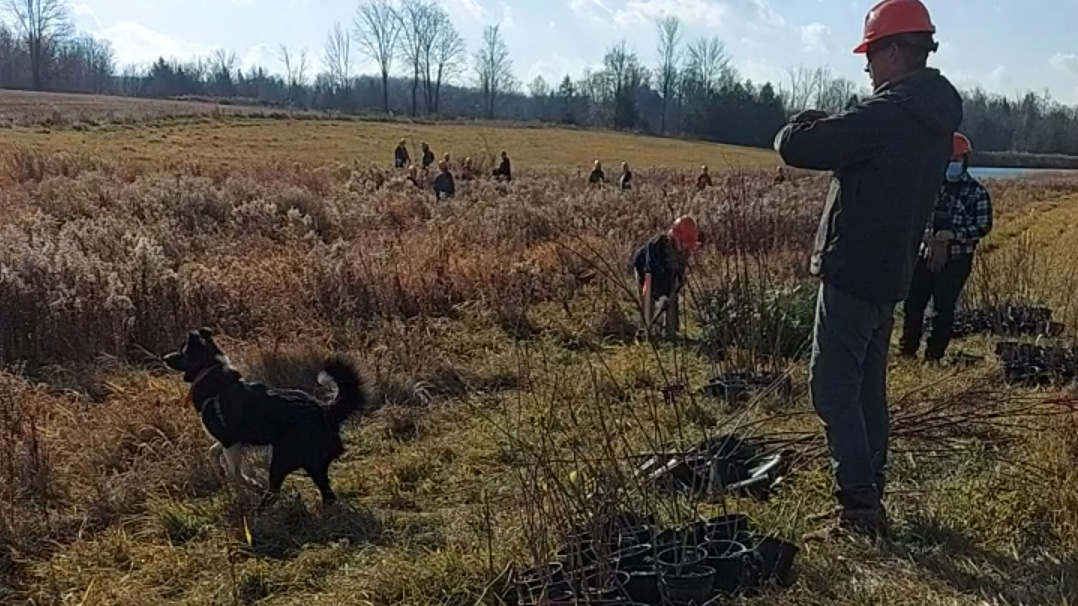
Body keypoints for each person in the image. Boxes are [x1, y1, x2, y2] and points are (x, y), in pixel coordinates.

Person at [772, 0, 962, 541]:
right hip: (891, 275)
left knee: (831, 390)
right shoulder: (933, 117)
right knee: (866, 390)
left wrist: (802, 121)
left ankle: (859, 509)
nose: (867, 68)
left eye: (871, 54)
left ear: (896, 51)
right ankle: (870, 491)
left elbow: (798, 146)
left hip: (854, 272)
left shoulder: (887, 115)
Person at [900, 132, 992, 362]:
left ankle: (934, 355)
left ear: (965, 161)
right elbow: (913, 217)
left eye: (956, 160)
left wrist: (952, 236)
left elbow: (983, 226)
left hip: (957, 259)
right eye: (948, 160)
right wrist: (929, 238)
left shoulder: (977, 192)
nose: (952, 165)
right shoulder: (929, 188)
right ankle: (907, 350)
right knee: (913, 303)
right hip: (925, 255)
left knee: (943, 306)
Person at [632, 216, 699, 339]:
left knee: (672, 300)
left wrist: (674, 289)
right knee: (648, 300)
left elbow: (680, 273)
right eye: (685, 242)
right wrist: (662, 295)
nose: (686, 247)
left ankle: (671, 333)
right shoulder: (656, 247)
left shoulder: (684, 251)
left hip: (667, 275)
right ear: (675, 236)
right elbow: (651, 270)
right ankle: (646, 333)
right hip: (645, 271)